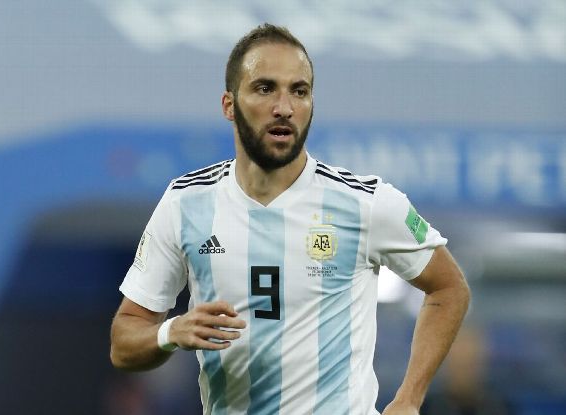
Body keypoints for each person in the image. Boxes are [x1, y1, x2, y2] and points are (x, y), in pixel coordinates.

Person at [110, 23, 470, 415]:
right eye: (265, 89)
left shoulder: (366, 203)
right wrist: (170, 332)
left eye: (299, 91)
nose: (284, 107)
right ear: (229, 105)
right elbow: (124, 341)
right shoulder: (186, 203)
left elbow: (449, 288)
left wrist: (409, 399)